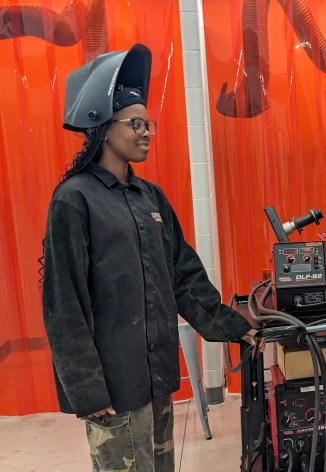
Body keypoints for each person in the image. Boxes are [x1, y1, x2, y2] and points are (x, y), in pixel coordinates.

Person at [42, 44, 257, 472]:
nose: (146, 133)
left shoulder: (149, 197)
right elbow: (64, 306)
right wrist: (87, 390)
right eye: (135, 123)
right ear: (103, 128)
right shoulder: (74, 200)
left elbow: (185, 279)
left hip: (156, 375)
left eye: (148, 124)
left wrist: (236, 328)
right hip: (113, 386)